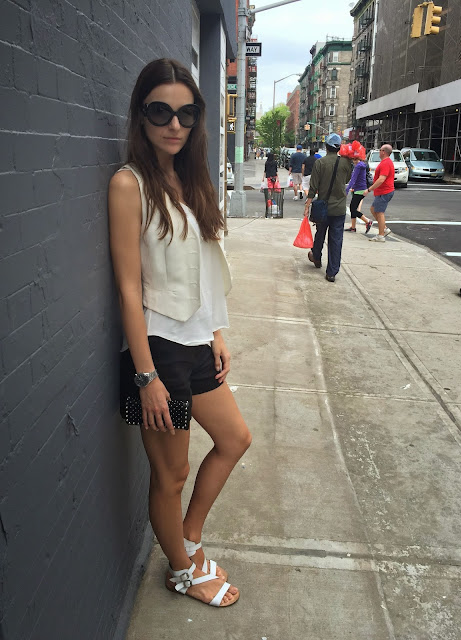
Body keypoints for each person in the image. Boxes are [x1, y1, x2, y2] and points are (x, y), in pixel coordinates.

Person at [108, 58, 251, 608]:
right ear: (140, 114)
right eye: (160, 111)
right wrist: (146, 377)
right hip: (159, 350)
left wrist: (216, 332)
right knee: (170, 474)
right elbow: (128, 288)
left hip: (195, 342)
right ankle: (182, 570)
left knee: (235, 440)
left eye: (186, 114)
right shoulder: (129, 184)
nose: (174, 124)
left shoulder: (190, 180)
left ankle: (187, 538)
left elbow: (203, 268)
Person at [303, 133, 352, 282]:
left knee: (320, 233)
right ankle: (331, 272)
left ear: (326, 147)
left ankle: (316, 256)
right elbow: (347, 179)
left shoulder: (320, 163)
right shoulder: (346, 163)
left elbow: (313, 187)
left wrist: (307, 205)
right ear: (339, 147)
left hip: (323, 207)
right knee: (336, 240)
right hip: (339, 208)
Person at [363, 144, 395, 242]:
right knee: (373, 209)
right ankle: (384, 229)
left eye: (380, 150)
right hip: (383, 191)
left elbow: (381, 179)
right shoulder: (386, 162)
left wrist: (369, 189)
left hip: (384, 191)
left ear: (384, 152)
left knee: (379, 212)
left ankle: (381, 235)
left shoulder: (386, 163)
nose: (379, 152)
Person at [345, 155, 373, 233]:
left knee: (353, 208)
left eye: (354, 159)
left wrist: (347, 189)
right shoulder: (361, 165)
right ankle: (353, 227)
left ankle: (367, 221)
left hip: (359, 190)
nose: (353, 160)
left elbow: (353, 179)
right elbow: (358, 178)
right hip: (360, 188)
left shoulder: (358, 166)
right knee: (353, 207)